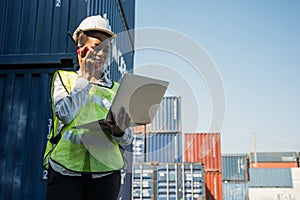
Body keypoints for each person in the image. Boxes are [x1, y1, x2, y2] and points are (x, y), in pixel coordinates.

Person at [43, 15, 133, 200]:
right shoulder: (64, 79)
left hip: (106, 174)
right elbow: (65, 115)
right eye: (95, 47)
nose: (101, 54)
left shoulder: (117, 89)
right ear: (80, 51)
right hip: (65, 171)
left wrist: (118, 130)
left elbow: (128, 139)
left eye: (105, 49)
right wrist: (85, 78)